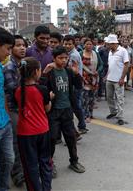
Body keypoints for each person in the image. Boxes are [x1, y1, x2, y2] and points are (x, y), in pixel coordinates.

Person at [42, 46, 85, 175]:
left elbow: (78, 85)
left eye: (66, 58)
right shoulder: (49, 72)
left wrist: (77, 74)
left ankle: (74, 161)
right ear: (54, 58)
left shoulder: (69, 71)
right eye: (61, 58)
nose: (64, 60)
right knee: (52, 139)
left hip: (67, 109)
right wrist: (44, 73)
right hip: (53, 111)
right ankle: (50, 163)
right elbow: (42, 89)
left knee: (71, 137)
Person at [15, 57, 53, 191]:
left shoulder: (18, 90)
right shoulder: (42, 89)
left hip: (25, 133)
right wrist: (50, 98)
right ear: (37, 71)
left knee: (30, 165)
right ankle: (46, 188)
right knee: (45, 162)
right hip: (43, 130)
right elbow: (47, 109)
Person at [0, 26, 15, 190]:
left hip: (4, 124)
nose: (9, 53)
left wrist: (7, 116)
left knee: (8, 161)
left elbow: (2, 93)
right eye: (7, 48)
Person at [3, 35, 26, 187]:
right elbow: (15, 91)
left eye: (23, 45)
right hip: (12, 109)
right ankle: (17, 173)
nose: (22, 48)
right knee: (16, 143)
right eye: (18, 45)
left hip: (23, 107)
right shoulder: (9, 68)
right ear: (10, 49)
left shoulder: (22, 64)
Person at [63, 35, 88, 134]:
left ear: (74, 44)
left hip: (74, 84)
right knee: (76, 105)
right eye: (65, 44)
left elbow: (73, 71)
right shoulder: (69, 53)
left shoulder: (73, 55)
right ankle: (82, 125)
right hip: (74, 83)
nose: (67, 46)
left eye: (70, 44)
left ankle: (81, 126)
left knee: (76, 106)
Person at [105, 35, 129, 125]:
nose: (107, 46)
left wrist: (122, 78)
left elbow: (126, 65)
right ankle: (113, 112)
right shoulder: (110, 52)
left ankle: (120, 116)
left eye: (108, 44)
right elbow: (110, 65)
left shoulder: (123, 51)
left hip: (118, 80)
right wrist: (106, 75)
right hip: (109, 78)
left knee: (119, 98)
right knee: (109, 97)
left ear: (113, 43)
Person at [80, 39, 103, 120]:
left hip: (94, 79)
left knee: (92, 98)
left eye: (90, 44)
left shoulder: (95, 54)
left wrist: (97, 71)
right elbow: (78, 65)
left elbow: (101, 64)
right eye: (87, 44)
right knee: (85, 98)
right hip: (84, 79)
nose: (89, 46)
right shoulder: (80, 53)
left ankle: (91, 114)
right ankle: (86, 115)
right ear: (84, 45)